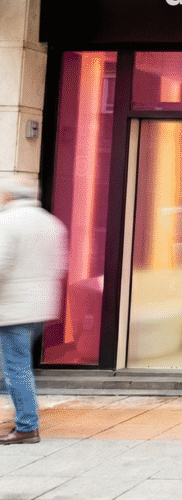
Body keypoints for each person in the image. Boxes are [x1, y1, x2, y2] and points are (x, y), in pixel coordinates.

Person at [0, 176, 68, 445]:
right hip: (40, 306)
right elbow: (60, 265)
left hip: (13, 307)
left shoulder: (7, 222)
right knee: (16, 365)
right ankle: (25, 415)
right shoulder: (51, 223)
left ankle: (27, 426)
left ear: (9, 196)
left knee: (16, 367)